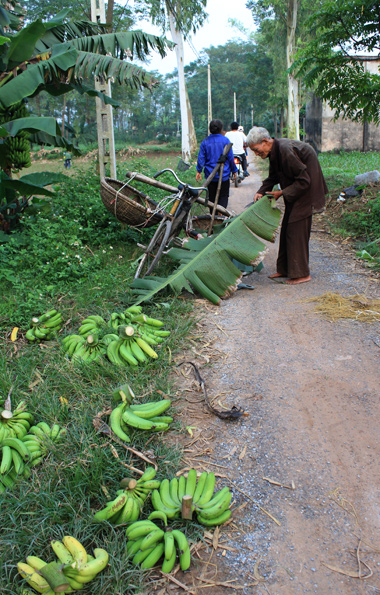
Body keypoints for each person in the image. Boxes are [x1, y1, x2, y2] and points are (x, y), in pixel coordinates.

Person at [247, 126, 327, 285]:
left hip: (306, 190)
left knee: (296, 230)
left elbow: (304, 180)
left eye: (256, 150)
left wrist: (281, 193)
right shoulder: (274, 152)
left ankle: (302, 274)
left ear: (265, 141)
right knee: (286, 229)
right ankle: (284, 269)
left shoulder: (285, 150)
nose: (256, 154)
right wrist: (262, 191)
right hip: (296, 189)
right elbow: (273, 176)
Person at [196, 119, 238, 209]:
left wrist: (198, 171)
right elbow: (230, 158)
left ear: (210, 129)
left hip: (210, 176)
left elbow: (201, 158)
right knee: (223, 197)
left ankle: (213, 216)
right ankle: (221, 216)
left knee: (212, 198)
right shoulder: (226, 141)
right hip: (224, 176)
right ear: (221, 129)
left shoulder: (205, 142)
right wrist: (234, 170)